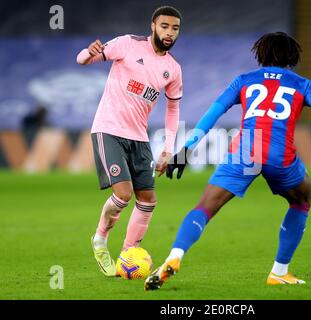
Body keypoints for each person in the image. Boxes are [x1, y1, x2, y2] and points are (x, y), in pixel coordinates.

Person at [144, 31, 311, 290]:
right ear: (292, 56)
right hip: (279, 154)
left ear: (260, 54)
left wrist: (185, 150)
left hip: (245, 151)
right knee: (302, 199)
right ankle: (279, 272)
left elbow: (212, 114)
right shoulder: (302, 84)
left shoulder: (243, 80)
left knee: (205, 207)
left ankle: (175, 255)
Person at [76, 5, 183, 277]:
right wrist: (88, 53)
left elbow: (173, 109)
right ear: (153, 26)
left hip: (139, 138)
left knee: (148, 199)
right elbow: (82, 60)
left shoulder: (173, 69)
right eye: (165, 26)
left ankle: (128, 254)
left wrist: (168, 150)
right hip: (108, 130)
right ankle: (100, 239)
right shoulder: (126, 44)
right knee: (123, 195)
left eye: (175, 28)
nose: (169, 33)